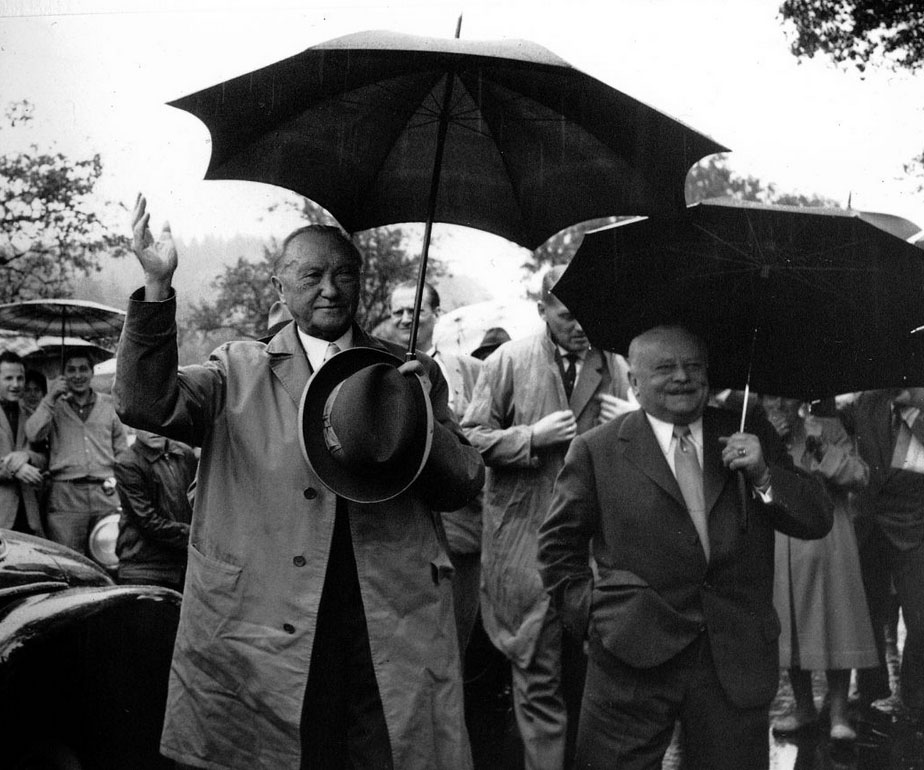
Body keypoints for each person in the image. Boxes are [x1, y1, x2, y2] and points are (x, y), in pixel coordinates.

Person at [114, 195, 484, 770]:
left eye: (344, 275)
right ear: (278, 288)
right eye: (311, 275)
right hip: (266, 621)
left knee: (379, 752)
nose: (330, 289)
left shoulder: (405, 371)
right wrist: (158, 287)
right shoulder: (237, 367)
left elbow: (462, 484)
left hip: (383, 618)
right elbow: (146, 404)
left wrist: (424, 415)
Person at [538, 325, 833, 770]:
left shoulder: (746, 433)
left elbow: (817, 519)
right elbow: (557, 547)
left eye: (694, 366)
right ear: (634, 382)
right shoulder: (596, 450)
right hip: (630, 655)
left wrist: (763, 475)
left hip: (733, 658)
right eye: (665, 368)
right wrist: (594, 615)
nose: (682, 377)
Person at [461, 265, 635, 770]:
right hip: (525, 547)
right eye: (566, 315)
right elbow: (468, 438)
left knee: (597, 683)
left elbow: (652, 448)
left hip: (598, 555)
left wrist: (629, 425)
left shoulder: (619, 366)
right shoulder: (508, 362)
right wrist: (530, 437)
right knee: (537, 678)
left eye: (588, 316)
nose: (580, 326)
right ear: (542, 311)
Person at [762, 396, 877, 742]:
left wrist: (822, 447)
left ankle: (839, 712)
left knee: (835, 623)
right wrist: (771, 444)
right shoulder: (762, 432)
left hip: (829, 540)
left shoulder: (830, 427)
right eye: (772, 398)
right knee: (792, 625)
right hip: (783, 540)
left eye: (786, 397)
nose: (780, 403)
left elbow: (860, 476)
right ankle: (803, 707)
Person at [390, 280, 485, 655]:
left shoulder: (467, 369)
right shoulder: (385, 365)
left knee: (454, 640)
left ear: (436, 314)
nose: (404, 319)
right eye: (397, 311)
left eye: (414, 311)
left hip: (460, 527)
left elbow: (475, 442)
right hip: (407, 529)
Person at [842, 388, 924, 729]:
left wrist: (913, 414)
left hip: (915, 523)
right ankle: (870, 690)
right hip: (868, 522)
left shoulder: (919, 403)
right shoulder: (865, 402)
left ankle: (914, 698)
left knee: (919, 617)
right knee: (868, 613)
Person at [25, 350, 126, 554]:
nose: (77, 375)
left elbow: (122, 453)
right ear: (63, 374)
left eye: (83, 369)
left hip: (104, 494)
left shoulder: (108, 405)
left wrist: (117, 484)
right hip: (65, 498)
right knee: (69, 559)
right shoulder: (54, 407)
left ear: (92, 372)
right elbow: (33, 433)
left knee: (108, 556)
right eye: (71, 370)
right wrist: (50, 398)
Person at [114, 429, 197, 591]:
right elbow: (147, 522)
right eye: (144, 424)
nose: (152, 430)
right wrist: (195, 535)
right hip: (145, 568)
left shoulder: (185, 454)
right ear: (133, 424)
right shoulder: (128, 463)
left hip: (183, 567)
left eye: (156, 421)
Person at [0, 350, 45, 536]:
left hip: (28, 515)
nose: (16, 384)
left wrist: (27, 456)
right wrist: (16, 468)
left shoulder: (30, 414)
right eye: (8, 378)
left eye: (20, 378)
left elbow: (44, 457)